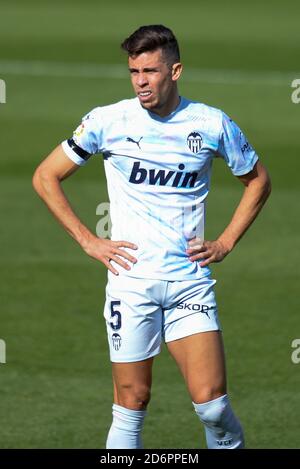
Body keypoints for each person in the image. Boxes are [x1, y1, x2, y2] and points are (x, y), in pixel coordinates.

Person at [32, 24, 271, 449]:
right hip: (131, 283)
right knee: (131, 402)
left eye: (150, 71)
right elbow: (46, 176)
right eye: (133, 72)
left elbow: (258, 181)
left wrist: (226, 242)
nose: (141, 81)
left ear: (175, 71)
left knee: (213, 407)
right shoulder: (107, 121)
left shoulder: (210, 124)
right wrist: (89, 240)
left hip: (188, 282)